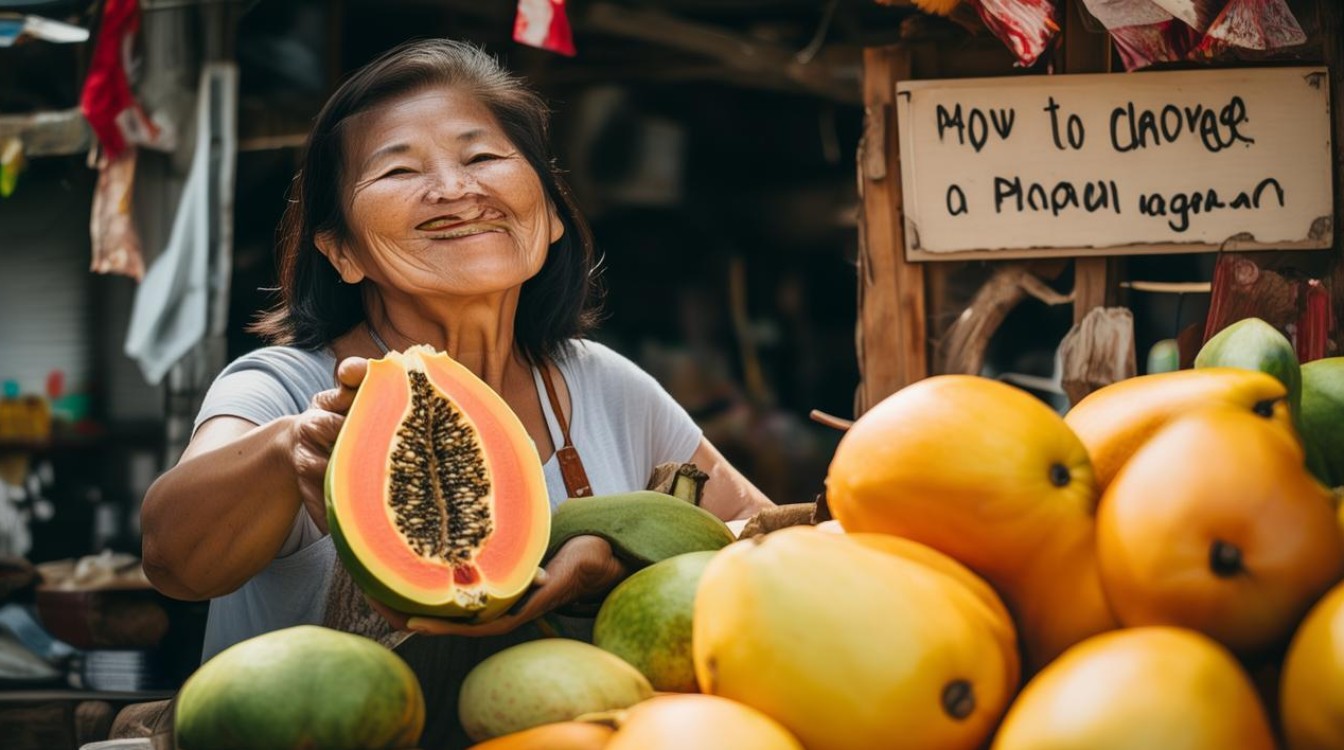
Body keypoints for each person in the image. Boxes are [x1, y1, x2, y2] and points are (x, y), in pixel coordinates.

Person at [138, 38, 774, 747]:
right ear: (341, 251)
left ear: (551, 216)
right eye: (400, 169)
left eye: (483, 158)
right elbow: (172, 561)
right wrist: (288, 447)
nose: (453, 189)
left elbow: (767, 542)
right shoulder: (281, 385)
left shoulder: (604, 383)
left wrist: (621, 553)